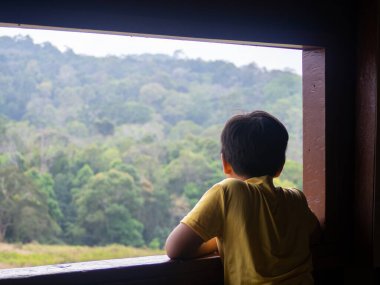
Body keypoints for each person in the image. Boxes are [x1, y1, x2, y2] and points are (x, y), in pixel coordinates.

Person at [165, 110, 320, 285]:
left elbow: (175, 248)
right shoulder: (296, 199)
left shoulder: (229, 191)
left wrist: (220, 240)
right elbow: (314, 235)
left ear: (225, 163)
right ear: (280, 166)